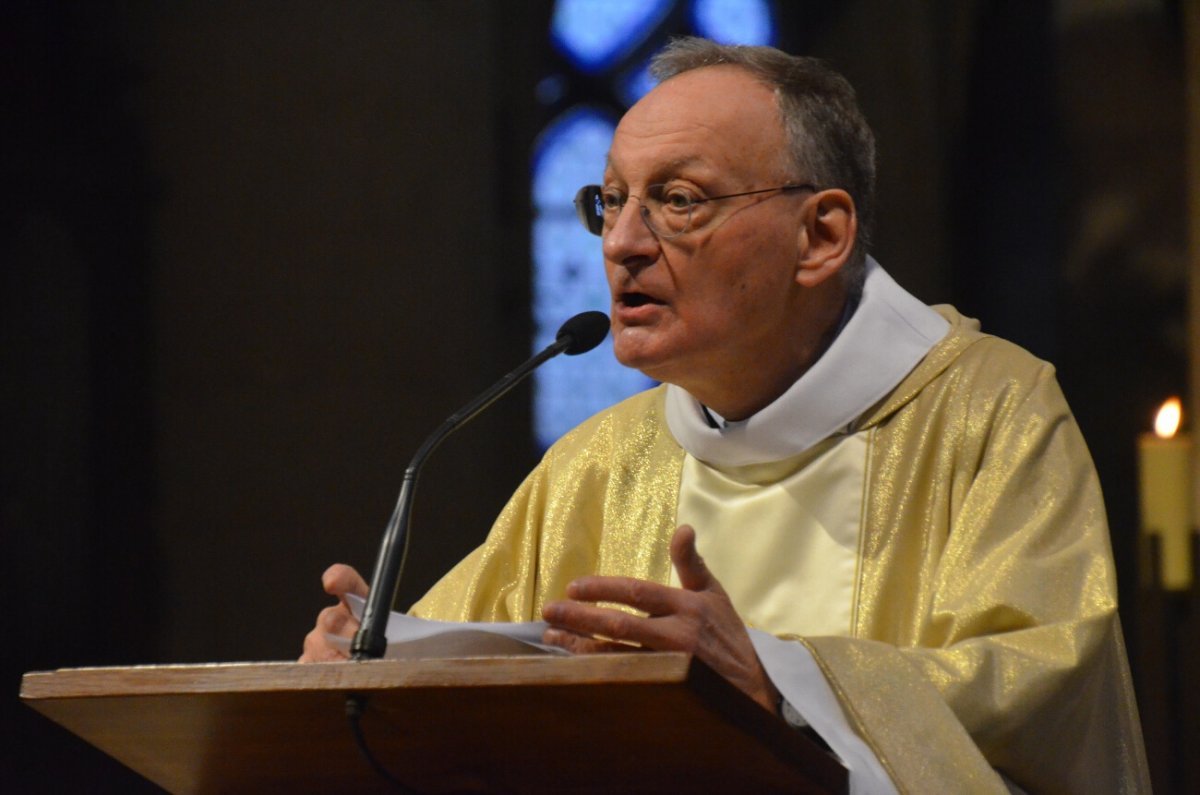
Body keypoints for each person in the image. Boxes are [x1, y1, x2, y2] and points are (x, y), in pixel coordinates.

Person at [301, 37, 1149, 793]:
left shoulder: (987, 415)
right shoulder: (599, 464)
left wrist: (780, 686)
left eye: (678, 200)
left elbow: (1040, 692)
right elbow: (471, 674)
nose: (623, 242)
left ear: (820, 236)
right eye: (611, 201)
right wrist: (366, 670)